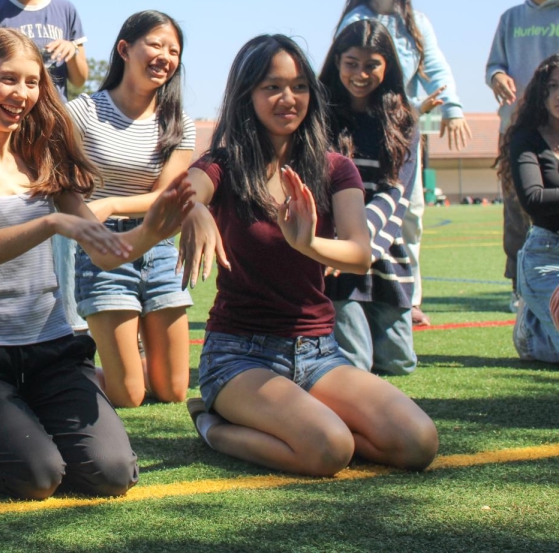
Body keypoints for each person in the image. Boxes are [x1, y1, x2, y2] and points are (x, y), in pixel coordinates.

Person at [0, 27, 184, 500]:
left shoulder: (44, 162)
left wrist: (155, 228)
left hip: (55, 351)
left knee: (112, 475)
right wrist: (51, 225)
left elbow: (106, 251)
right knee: (38, 478)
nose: (22, 94)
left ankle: (29, 425)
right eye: (8, 80)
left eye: (33, 81)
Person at [181, 34, 437, 477]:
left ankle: (307, 421)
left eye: (299, 86)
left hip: (320, 352)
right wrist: (195, 208)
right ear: (248, 96)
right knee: (326, 451)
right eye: (272, 87)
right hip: (241, 355)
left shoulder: (336, 167)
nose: (289, 98)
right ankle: (212, 423)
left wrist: (309, 244)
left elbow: (359, 254)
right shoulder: (222, 164)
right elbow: (185, 191)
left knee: (418, 443)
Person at [65, 11, 196, 407]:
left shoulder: (179, 124)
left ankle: (133, 362)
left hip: (158, 248)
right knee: (129, 395)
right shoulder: (83, 112)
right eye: (155, 44)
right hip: (102, 249)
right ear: (124, 49)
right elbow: (64, 187)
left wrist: (113, 202)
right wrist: (96, 221)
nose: (165, 57)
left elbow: (169, 194)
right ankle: (55, 377)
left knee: (173, 391)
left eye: (173, 51)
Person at [336, 0, 471, 327]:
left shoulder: (417, 21)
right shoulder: (355, 21)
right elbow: (341, 72)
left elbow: (437, 69)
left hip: (403, 129)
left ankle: (407, 300)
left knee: (408, 214)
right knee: (357, 207)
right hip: (359, 130)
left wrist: (453, 108)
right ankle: (351, 293)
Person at [0, 0, 90, 333]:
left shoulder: (66, 10)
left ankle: (67, 317)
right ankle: (9, 313)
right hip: (6, 133)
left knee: (64, 227)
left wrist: (73, 52)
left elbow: (81, 78)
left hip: (51, 129)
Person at [320, 21, 421, 375]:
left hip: (382, 246)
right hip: (335, 250)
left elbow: (395, 193)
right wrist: (341, 245)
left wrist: (360, 241)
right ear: (337, 62)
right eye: (351, 63)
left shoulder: (404, 121)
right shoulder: (319, 116)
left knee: (399, 364)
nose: (360, 74)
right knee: (356, 364)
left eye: (371, 65)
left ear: (387, 66)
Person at [486, 0, 559, 298]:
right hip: (517, 125)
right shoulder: (510, 18)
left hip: (556, 130)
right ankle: (519, 286)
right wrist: (497, 76)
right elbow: (493, 65)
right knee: (517, 206)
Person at [496, 54, 559, 362]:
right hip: (547, 255)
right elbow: (533, 198)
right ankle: (532, 330)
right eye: (553, 86)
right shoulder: (527, 138)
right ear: (541, 93)